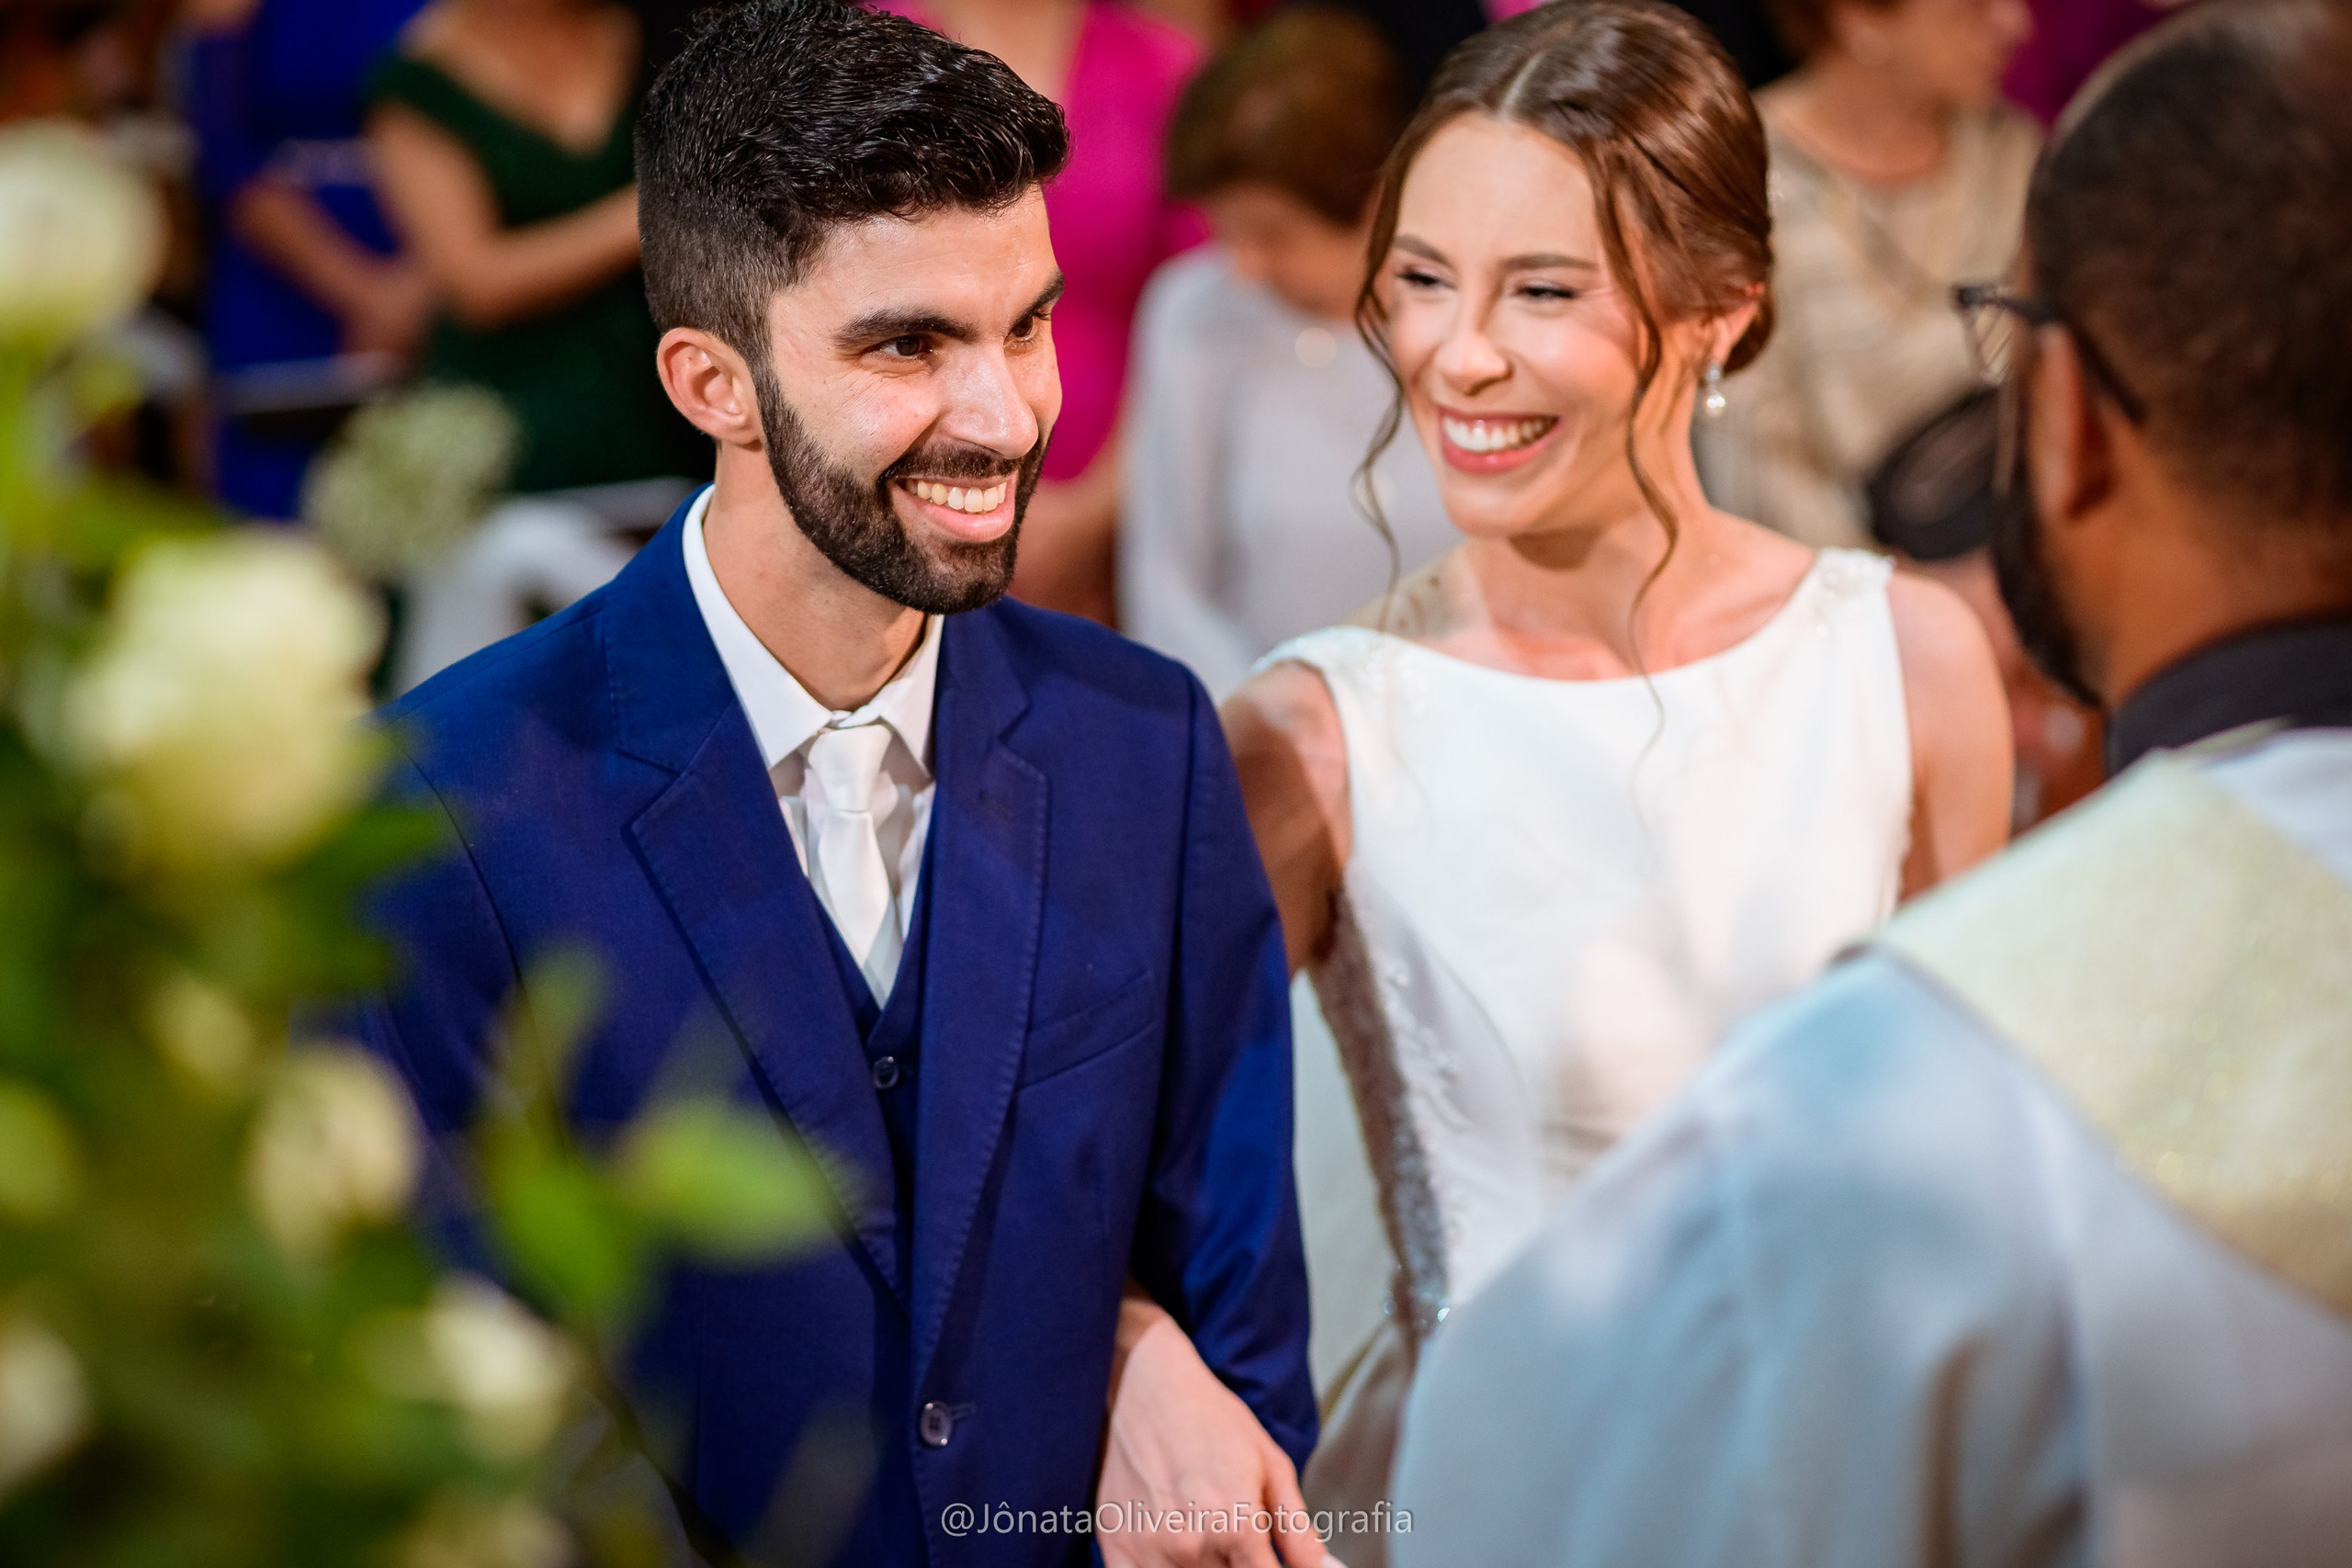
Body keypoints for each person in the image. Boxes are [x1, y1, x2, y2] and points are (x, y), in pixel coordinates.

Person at [345, 5, 1322, 1565]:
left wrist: (1149, 1357)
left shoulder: (1150, 746)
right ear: (710, 380)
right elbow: (460, 1396)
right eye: (907, 346)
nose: (1007, 416)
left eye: (1028, 324)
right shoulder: (447, 806)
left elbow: (1243, 1305)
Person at [1393, 4, 2352, 1562]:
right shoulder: (1330, 716)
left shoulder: (1919, 1104)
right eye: (1426, 280)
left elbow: (1507, 1491)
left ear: (2074, 427)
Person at [1216, 4, 2010, 1562]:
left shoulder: (1904, 660)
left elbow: (1970, 1178)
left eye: (1544, 291)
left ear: (1720, 310)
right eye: (1425, 281)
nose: (1462, 352)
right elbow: (1123, 1184)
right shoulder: (1316, 729)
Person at [1121, 5, 1453, 699]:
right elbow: (1166, 588)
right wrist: (1272, 728)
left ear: (1376, 201)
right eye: (1226, 230)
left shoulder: (1465, 312)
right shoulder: (1195, 310)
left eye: (1270, 232)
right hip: (1263, 736)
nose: (1242, 266)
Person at [868, 0, 1205, 625]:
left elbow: (1199, 311)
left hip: (1127, 502)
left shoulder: (1163, 65)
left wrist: (1100, 507)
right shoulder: (864, 43)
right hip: (906, 475)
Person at [1694, 0, 2038, 549]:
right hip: (1851, 596)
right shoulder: (1737, 184)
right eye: (1973, 8)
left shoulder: (2010, 156)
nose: (2015, 24)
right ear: (1858, 19)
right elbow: (1757, 469)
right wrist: (1913, 603)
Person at [368, 0, 707, 493]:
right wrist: (650, 213)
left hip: (675, 387)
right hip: (519, 411)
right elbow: (475, 284)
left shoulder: (663, 27)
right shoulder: (418, 81)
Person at [182, 0, 431, 520]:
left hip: (435, 260)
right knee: (279, 508)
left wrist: (428, 280)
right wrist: (365, 293)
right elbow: (225, 153)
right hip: (281, 278)